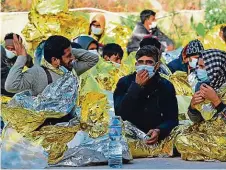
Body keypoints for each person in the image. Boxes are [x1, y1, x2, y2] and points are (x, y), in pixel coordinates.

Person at [114, 45, 178, 144]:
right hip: (130, 134)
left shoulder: (165, 85)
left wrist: (159, 130)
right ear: (136, 65)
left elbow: (172, 119)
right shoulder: (124, 82)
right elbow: (120, 114)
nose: (144, 66)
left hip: (157, 134)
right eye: (141, 62)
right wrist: (136, 87)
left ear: (156, 66)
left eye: (149, 62)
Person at [5, 35, 99, 96]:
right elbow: (10, 86)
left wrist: (67, 51)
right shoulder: (37, 73)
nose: (73, 58)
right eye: (69, 56)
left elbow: (93, 59)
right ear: (55, 60)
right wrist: (22, 57)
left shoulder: (71, 69)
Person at [175, 49, 226, 161]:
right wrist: (192, 106)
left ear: (215, 68)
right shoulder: (203, 86)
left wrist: (216, 101)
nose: (199, 70)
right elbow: (198, 119)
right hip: (210, 134)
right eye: (198, 66)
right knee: (180, 139)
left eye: (203, 67)